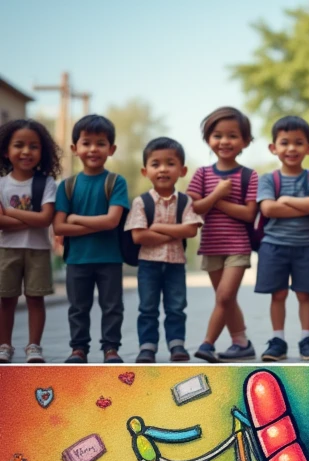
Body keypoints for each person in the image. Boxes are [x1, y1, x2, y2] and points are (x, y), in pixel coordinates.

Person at [53, 114, 129, 364]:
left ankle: (111, 349)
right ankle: (78, 350)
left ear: (111, 149)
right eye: (86, 143)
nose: (93, 149)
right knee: (77, 308)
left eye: (100, 143)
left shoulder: (116, 182)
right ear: (75, 149)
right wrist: (81, 223)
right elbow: (59, 226)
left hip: (110, 258)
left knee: (112, 308)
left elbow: (112, 222)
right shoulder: (67, 185)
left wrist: (76, 219)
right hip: (77, 259)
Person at [187, 106, 258, 362]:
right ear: (208, 139)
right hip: (210, 246)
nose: (224, 141)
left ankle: (207, 344)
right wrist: (217, 194)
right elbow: (194, 209)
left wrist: (213, 200)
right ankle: (241, 343)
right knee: (225, 300)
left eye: (232, 136)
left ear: (245, 141)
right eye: (217, 135)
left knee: (224, 296)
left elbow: (249, 214)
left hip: (238, 246)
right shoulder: (202, 174)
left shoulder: (249, 175)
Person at [255, 116, 309, 361]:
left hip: (307, 246)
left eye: (298, 142)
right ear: (273, 148)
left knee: (304, 294)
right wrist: (303, 206)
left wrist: (285, 201)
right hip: (274, 246)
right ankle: (278, 340)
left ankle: (307, 339)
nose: (291, 148)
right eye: (284, 142)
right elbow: (268, 210)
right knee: (278, 295)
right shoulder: (268, 179)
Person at [124, 137, 203, 364]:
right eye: (155, 164)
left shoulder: (185, 201)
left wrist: (157, 227)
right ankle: (147, 347)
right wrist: (174, 232)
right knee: (147, 307)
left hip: (175, 264)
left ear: (182, 170)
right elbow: (139, 235)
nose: (163, 169)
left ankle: (176, 345)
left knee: (176, 307)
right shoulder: (141, 202)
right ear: (145, 171)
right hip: (148, 264)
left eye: (170, 163)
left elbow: (191, 231)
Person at [0, 118, 60, 363]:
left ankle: (34, 346)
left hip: (38, 250)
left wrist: (10, 212)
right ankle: (4, 345)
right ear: (6, 150)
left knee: (36, 298)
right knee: (5, 299)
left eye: (34, 146)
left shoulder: (46, 183)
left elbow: (46, 219)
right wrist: (33, 218)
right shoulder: (2, 184)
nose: (26, 151)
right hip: (6, 249)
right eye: (19, 145)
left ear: (42, 151)